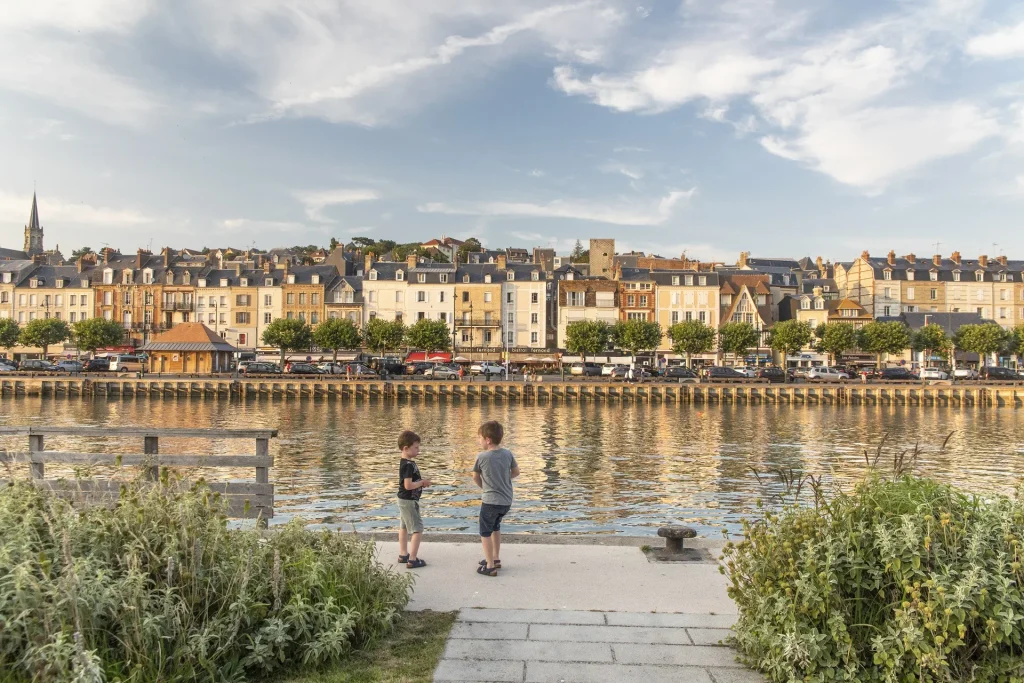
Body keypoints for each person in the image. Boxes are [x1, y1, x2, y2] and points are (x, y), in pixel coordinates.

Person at [472, 421, 519, 576]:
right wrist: (503, 480)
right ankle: (496, 558)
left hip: (490, 501)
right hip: (506, 501)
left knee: (485, 531)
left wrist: (485, 487)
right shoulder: (508, 454)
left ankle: (490, 566)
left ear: (488, 440)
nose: (479, 441)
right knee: (496, 527)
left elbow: (475, 477)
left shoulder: (482, 457)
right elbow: (516, 472)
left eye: (480, 438)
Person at [397, 430, 431, 569]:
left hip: (403, 500)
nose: (418, 450)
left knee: (404, 526)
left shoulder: (406, 463)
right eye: (416, 447)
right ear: (406, 448)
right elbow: (408, 485)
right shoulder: (408, 465)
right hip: (409, 501)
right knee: (417, 528)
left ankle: (403, 554)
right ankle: (412, 559)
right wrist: (422, 482)